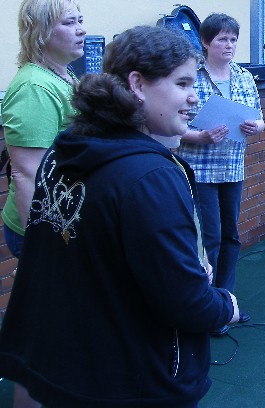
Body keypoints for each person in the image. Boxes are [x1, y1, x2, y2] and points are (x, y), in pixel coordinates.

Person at [0, 26, 240, 407]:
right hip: (129, 378)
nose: (194, 97)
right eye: (182, 83)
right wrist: (226, 306)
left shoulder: (67, 148)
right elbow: (186, 300)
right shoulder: (151, 177)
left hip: (63, 361)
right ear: (137, 84)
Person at [175, 13, 264, 329]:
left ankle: (226, 301)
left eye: (233, 39)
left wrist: (256, 126)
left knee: (232, 236)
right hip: (200, 170)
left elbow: (260, 118)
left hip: (232, 169)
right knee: (208, 238)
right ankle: (206, 305)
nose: (229, 45)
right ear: (205, 42)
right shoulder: (192, 77)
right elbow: (174, 125)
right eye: (222, 39)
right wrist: (199, 136)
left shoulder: (243, 77)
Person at [2, 0, 86, 261]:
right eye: (69, 22)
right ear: (40, 31)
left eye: (80, 21)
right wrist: (40, 244)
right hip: (44, 228)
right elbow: (27, 173)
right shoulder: (34, 88)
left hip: (66, 217)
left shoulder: (62, 73)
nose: (81, 30)